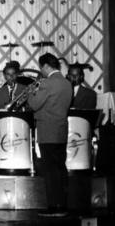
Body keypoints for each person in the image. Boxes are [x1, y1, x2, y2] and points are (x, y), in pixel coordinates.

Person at [27, 53, 72, 217]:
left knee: (50, 170)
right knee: (60, 167)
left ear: (46, 66)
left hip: (47, 131)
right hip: (61, 131)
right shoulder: (67, 84)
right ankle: (63, 204)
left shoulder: (47, 83)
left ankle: (54, 206)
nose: (41, 71)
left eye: (41, 68)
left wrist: (32, 91)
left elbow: (34, 105)